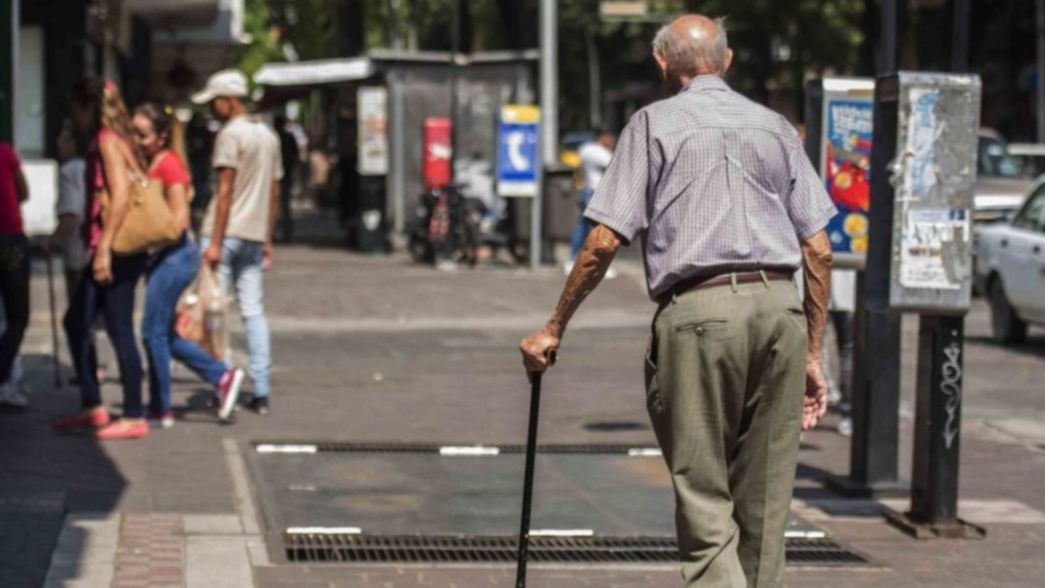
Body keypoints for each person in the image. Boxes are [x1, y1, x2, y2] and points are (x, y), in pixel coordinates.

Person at [519, 15, 836, 588]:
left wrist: (554, 326)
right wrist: (812, 352)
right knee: (766, 502)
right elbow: (818, 248)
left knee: (705, 496)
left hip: (699, 315)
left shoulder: (651, 125)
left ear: (662, 64)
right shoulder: (775, 127)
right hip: (780, 311)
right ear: (728, 60)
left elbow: (602, 241)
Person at [132, 103, 246, 428]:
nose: (138, 141)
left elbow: (179, 221)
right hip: (163, 257)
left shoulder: (168, 166)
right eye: (134, 134)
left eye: (143, 135)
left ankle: (161, 407)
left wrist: (145, 238)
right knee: (162, 333)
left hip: (175, 257)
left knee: (152, 332)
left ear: (162, 136)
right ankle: (222, 376)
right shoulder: (152, 162)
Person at [53, 79, 151, 439]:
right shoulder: (109, 139)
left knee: (118, 327)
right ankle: (94, 405)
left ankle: (133, 414)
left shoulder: (108, 141)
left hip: (117, 250)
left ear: (88, 107)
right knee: (76, 321)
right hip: (111, 248)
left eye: (75, 110)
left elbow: (122, 195)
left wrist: (104, 248)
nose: (73, 118)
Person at [191, 70, 282, 416]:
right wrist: (267, 238)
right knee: (253, 311)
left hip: (225, 233)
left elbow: (224, 190)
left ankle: (223, 382)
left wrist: (214, 242)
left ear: (228, 100)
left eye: (215, 101)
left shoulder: (230, 135)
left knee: (217, 313)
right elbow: (274, 191)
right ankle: (260, 390)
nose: (213, 108)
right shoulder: (268, 136)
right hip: (254, 235)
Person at [0, 140, 31, 408]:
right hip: (10, 239)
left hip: (9, 239)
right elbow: (24, 191)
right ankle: (3, 379)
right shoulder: (5, 151)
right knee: (18, 317)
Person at [566, 130, 615, 277]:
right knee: (596, 231)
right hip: (595, 193)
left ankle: (572, 260)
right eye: (610, 138)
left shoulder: (584, 149)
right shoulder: (598, 152)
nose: (612, 142)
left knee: (581, 228)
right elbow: (615, 164)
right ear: (602, 137)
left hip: (585, 191)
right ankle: (596, 265)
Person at [274, 115, 299, 243]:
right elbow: (296, 155)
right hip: (283, 175)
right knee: (283, 206)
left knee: (278, 205)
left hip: (279, 176)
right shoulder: (286, 138)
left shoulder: (276, 138)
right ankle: (284, 233)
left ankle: (281, 233)